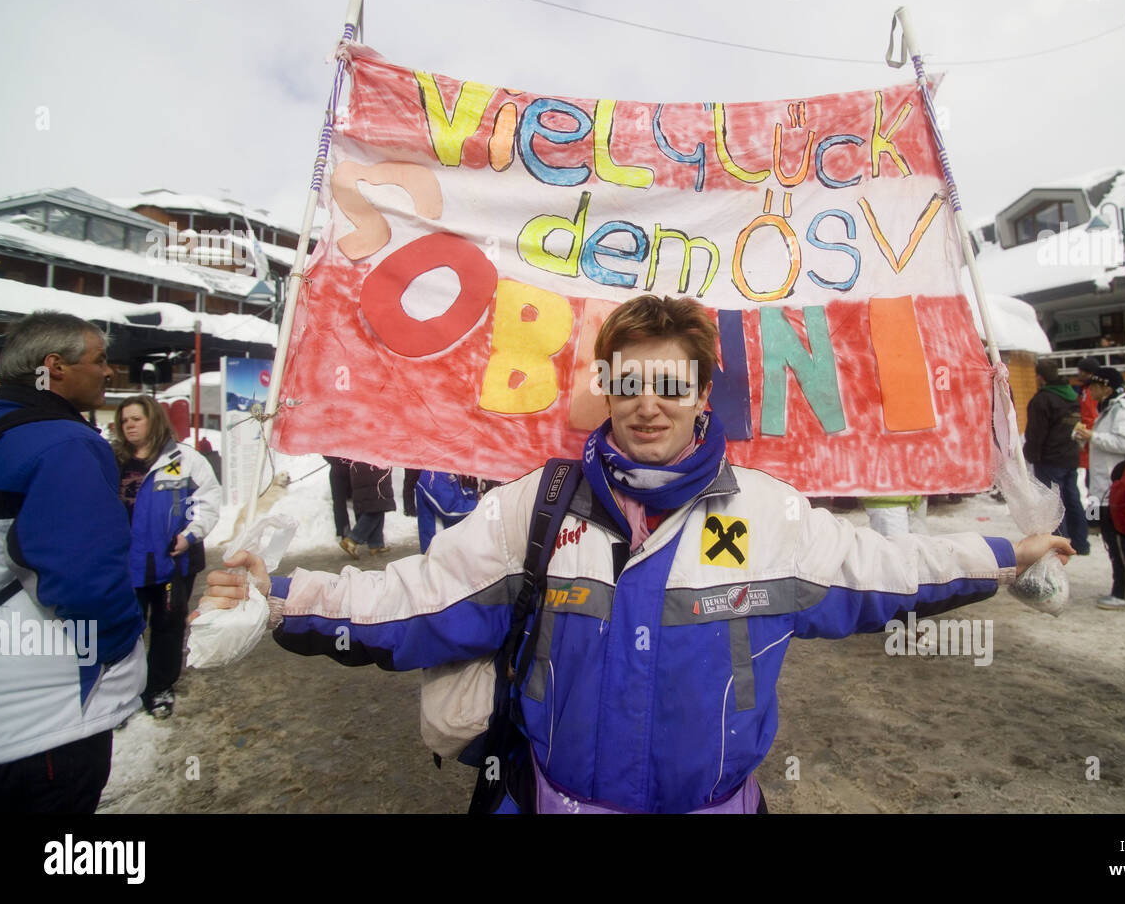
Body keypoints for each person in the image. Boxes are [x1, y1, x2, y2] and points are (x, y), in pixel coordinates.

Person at [199, 295, 1072, 814]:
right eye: (626, 382)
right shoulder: (534, 510)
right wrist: (278, 593)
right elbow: (415, 598)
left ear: (702, 396)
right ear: (604, 389)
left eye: (670, 386)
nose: (646, 406)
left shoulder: (771, 516)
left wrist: (1007, 550)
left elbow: (887, 571)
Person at [0, 312, 146, 812]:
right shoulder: (64, 442)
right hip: (42, 719)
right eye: (99, 360)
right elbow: (84, 576)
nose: (109, 373)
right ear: (54, 367)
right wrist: (122, 649)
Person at [112, 395, 221, 719]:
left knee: (167, 625)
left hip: (172, 562)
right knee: (125, 628)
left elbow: (208, 499)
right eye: (125, 420)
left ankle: (159, 687)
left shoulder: (184, 459)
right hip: (125, 564)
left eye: (136, 418)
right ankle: (122, 694)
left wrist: (190, 534)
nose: (129, 425)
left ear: (154, 420)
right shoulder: (112, 460)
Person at [1073, 367, 1125, 609]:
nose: (1090, 392)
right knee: (1124, 541)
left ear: (1106, 387)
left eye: (1093, 387)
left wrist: (1093, 436)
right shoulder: (1109, 409)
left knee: (1121, 543)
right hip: (1106, 489)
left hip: (1119, 489)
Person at [1024, 358, 1089, 555]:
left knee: (1053, 504)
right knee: (1073, 499)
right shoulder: (1072, 396)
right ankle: (1081, 542)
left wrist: (1030, 454)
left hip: (1050, 458)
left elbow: (1036, 433)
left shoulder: (1042, 400)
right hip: (1070, 455)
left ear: (1041, 377)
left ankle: (1060, 544)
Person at [414, 471, 481, 553]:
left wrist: (471, 491)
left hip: (453, 541)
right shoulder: (432, 474)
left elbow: (460, 498)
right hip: (439, 545)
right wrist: (479, 505)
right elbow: (448, 510)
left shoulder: (450, 471)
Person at [342, 461, 394, 558]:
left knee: (376, 506)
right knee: (376, 507)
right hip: (374, 470)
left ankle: (376, 544)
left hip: (363, 470)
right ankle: (352, 540)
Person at [323, 455, 353, 541]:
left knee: (339, 503)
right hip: (347, 469)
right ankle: (347, 532)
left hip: (339, 470)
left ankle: (346, 532)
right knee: (340, 503)